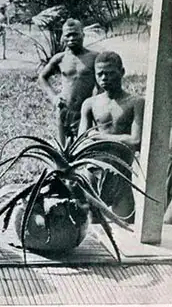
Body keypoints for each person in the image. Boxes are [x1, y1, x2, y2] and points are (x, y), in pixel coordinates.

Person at [78, 51, 145, 222]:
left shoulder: (135, 103)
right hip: (94, 173)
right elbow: (81, 142)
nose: (104, 78)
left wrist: (99, 137)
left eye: (110, 73)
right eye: (100, 74)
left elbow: (135, 140)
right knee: (93, 227)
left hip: (121, 175)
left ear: (122, 72)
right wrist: (114, 138)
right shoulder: (90, 104)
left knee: (127, 226)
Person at [38, 18, 99, 148]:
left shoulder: (94, 57)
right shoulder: (60, 58)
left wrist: (96, 102)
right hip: (64, 109)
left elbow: (102, 83)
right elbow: (42, 77)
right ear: (63, 37)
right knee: (63, 150)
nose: (71, 38)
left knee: (85, 146)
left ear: (83, 34)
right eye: (68, 35)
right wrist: (54, 98)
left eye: (75, 34)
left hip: (85, 111)